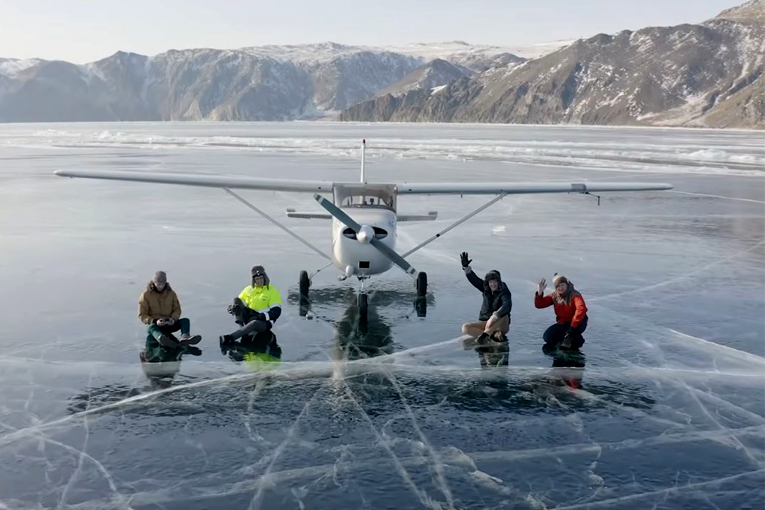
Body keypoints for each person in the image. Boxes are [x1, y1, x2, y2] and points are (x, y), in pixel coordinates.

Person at [138, 271, 202, 350]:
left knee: (185, 321)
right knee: (151, 327)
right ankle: (161, 338)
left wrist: (173, 319)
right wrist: (155, 321)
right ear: (154, 283)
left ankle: (185, 336)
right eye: (158, 284)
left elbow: (177, 309)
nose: (161, 286)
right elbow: (142, 315)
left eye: (163, 284)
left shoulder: (171, 293)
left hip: (169, 323)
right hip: (156, 325)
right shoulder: (146, 295)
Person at [220, 265, 282, 345]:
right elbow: (238, 301)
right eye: (257, 279)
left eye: (261, 278)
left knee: (254, 323)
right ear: (254, 280)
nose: (259, 281)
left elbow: (276, 312)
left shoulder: (272, 291)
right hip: (250, 316)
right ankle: (242, 328)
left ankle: (230, 338)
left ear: (265, 278)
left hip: (264, 322)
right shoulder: (248, 289)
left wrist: (260, 317)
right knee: (236, 301)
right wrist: (231, 308)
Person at [459, 252, 512, 344]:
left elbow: (507, 305)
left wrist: (494, 317)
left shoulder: (504, 290)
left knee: (504, 313)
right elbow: (474, 280)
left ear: (499, 282)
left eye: (495, 282)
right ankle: (492, 337)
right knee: (465, 327)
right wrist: (466, 268)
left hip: (500, 324)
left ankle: (486, 335)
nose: (493, 284)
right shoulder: (485, 288)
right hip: (486, 323)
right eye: (490, 282)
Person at [534, 274, 588, 349]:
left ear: (566, 284)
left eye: (562, 285)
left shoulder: (574, 295)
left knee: (570, 341)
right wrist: (540, 293)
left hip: (578, 323)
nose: (560, 288)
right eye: (558, 286)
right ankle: (566, 338)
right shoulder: (555, 296)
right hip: (564, 323)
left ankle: (576, 339)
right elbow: (539, 304)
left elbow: (581, 309)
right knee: (548, 337)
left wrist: (573, 327)